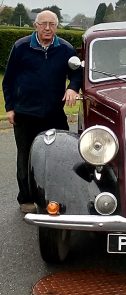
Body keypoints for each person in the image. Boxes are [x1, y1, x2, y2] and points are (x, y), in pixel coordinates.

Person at [2, 10, 82, 213]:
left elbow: (77, 73)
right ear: (36, 25)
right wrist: (10, 108)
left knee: (61, 154)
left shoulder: (65, 49)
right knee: (26, 156)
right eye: (44, 24)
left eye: (52, 24)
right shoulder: (21, 47)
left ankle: (57, 197)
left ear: (57, 26)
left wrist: (73, 87)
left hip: (54, 113)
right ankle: (26, 199)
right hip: (25, 112)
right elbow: (8, 80)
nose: (48, 28)